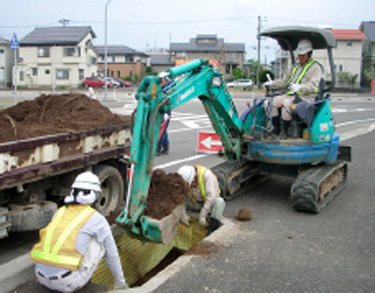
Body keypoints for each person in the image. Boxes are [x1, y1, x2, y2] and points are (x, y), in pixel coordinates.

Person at [30, 171, 128, 292]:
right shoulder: (96, 218)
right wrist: (120, 282)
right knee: (100, 243)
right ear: (95, 196)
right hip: (67, 283)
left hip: (40, 276)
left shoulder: (60, 211)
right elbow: (111, 253)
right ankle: (86, 283)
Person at [264, 39, 323, 139]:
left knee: (287, 104)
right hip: (291, 95)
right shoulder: (295, 66)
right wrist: (272, 83)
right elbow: (284, 82)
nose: (300, 57)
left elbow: (313, 86)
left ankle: (285, 131)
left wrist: (300, 87)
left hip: (306, 97)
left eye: (303, 55)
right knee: (269, 103)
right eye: (299, 55)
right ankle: (276, 129)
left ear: (309, 54)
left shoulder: (316, 68)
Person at [177, 164, 226, 235]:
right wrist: (183, 214)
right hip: (195, 202)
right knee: (176, 201)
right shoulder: (186, 181)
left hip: (208, 204)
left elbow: (211, 198)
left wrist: (202, 215)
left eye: (191, 184)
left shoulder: (208, 176)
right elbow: (180, 197)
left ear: (194, 177)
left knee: (219, 202)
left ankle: (212, 230)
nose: (191, 187)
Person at [157, 77, 173, 156]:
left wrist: (167, 113)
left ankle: (159, 146)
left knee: (161, 129)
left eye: (162, 80)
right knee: (163, 130)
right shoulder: (158, 88)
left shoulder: (168, 89)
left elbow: (168, 101)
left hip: (165, 111)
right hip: (159, 111)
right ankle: (165, 146)